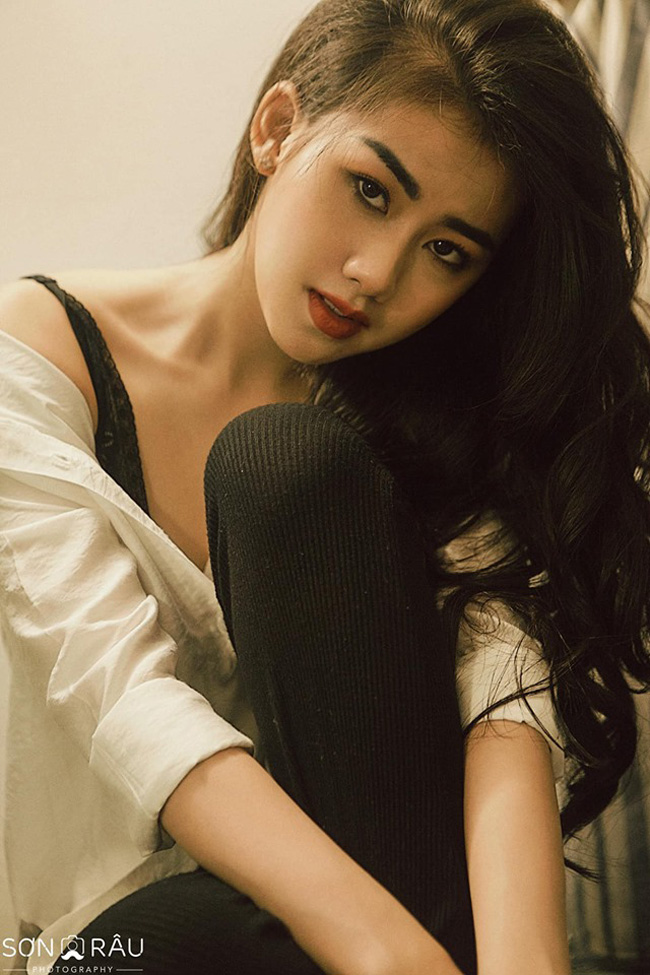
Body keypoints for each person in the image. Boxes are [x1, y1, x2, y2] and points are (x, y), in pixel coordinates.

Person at [1, 1, 649, 973]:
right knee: (279, 462)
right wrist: (391, 954)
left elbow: (503, 706)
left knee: (288, 468)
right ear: (276, 129)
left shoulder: (429, 418)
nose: (377, 274)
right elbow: (122, 701)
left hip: (342, 930)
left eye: (446, 251)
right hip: (103, 939)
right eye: (370, 191)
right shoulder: (34, 358)